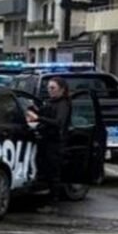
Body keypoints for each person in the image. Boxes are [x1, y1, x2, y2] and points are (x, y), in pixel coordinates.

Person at [26, 77, 72, 214]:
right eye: (49, 88)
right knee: (46, 171)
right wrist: (34, 110)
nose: (50, 91)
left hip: (56, 142)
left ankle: (53, 203)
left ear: (62, 90)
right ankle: (47, 199)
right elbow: (45, 113)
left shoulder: (63, 104)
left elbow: (58, 122)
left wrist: (38, 118)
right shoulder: (51, 102)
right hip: (46, 140)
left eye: (53, 88)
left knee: (53, 173)